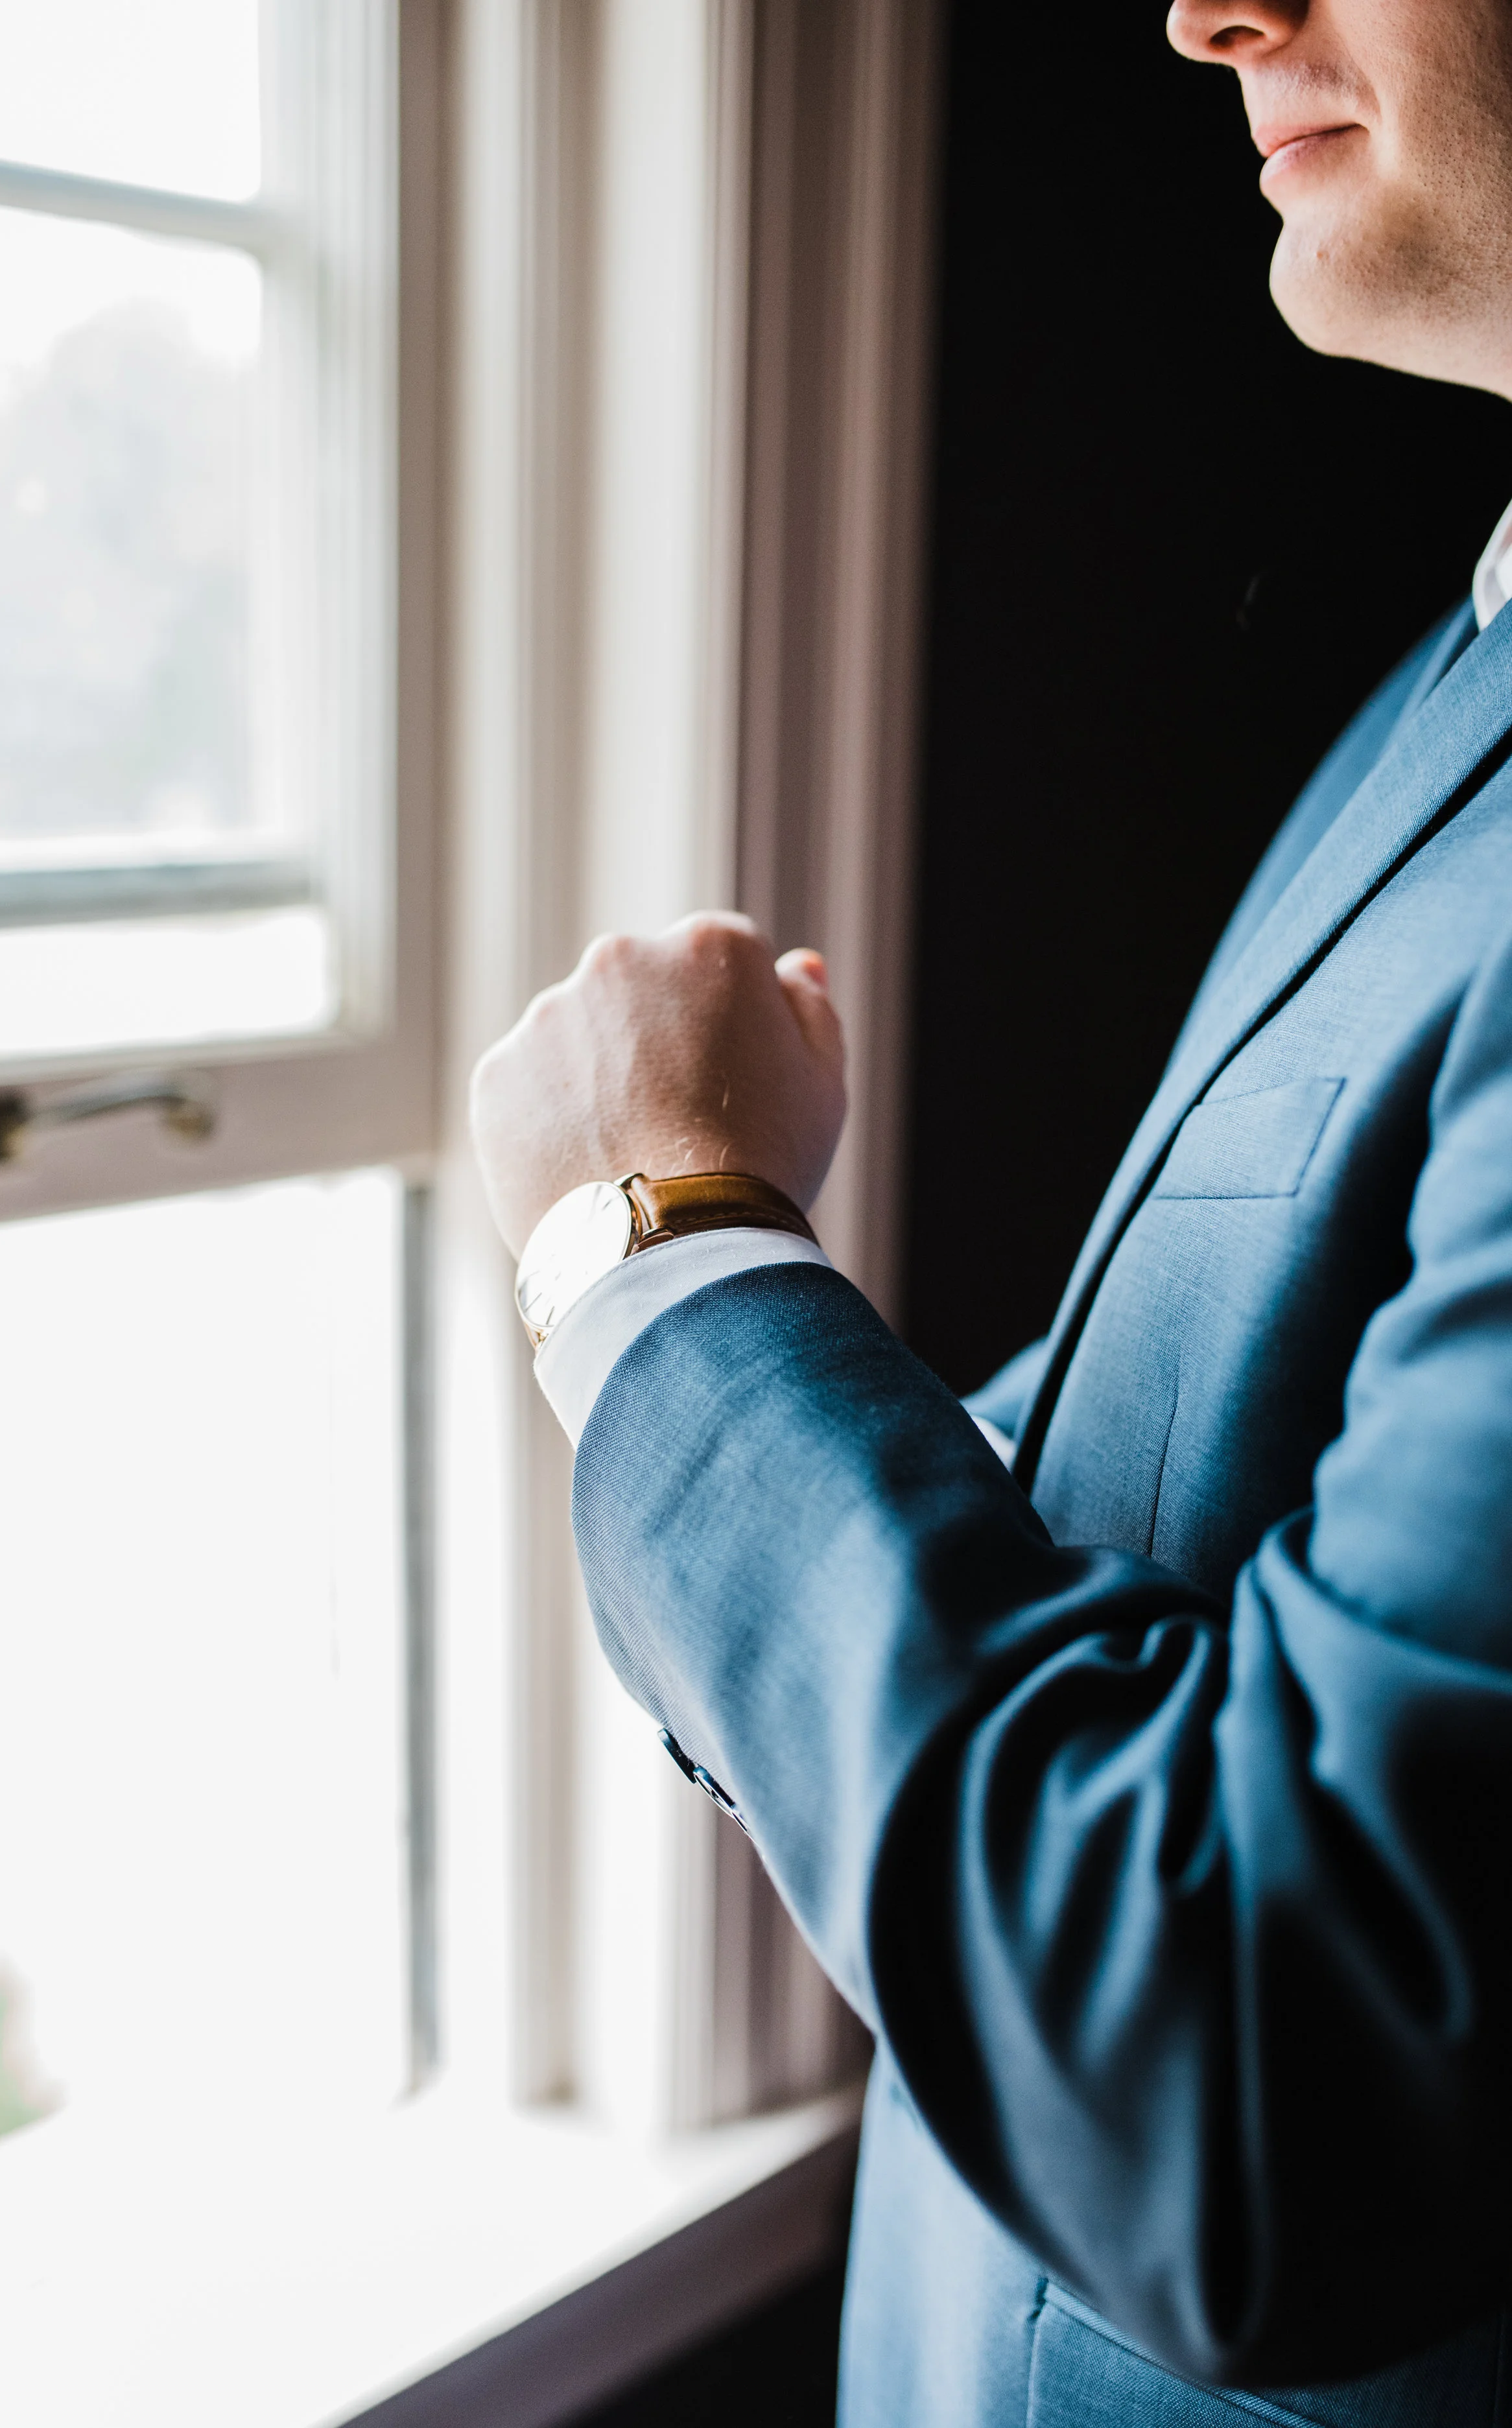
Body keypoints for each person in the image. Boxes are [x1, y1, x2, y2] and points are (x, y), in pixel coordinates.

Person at [471, 3, 1512, 2420]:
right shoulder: (1455, 679)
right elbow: (1170, 1504)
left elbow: (1263, 2079)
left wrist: (660, 1261)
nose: (1206, 6)